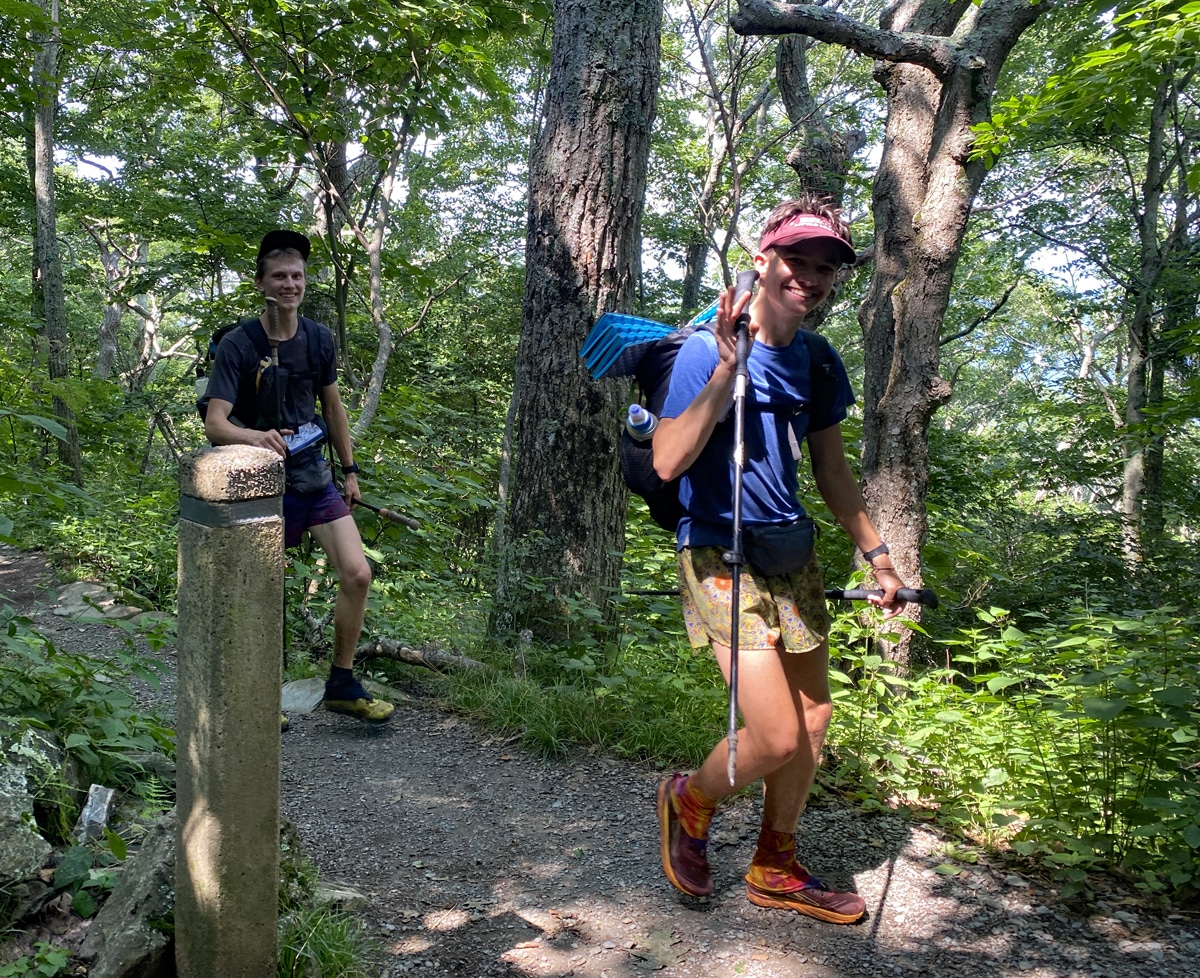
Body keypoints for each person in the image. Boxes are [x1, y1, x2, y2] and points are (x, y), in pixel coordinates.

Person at [651, 195, 907, 923]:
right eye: (799, 259)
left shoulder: (818, 360)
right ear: (763, 259)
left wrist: (878, 557)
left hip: (789, 551)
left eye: (826, 267)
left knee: (816, 716)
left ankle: (774, 865)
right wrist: (727, 373)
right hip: (717, 553)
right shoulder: (708, 345)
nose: (812, 277)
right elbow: (668, 461)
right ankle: (688, 800)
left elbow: (830, 469)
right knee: (773, 734)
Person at [204, 229, 394, 724]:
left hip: (313, 479)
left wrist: (349, 471)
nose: (290, 284)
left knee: (357, 573)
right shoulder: (237, 344)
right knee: (259, 592)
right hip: (257, 486)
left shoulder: (318, 339)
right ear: (260, 282)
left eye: (297, 276)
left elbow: (333, 408)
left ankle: (341, 683)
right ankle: (256, 695)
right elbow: (216, 421)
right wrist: (256, 436)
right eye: (280, 276)